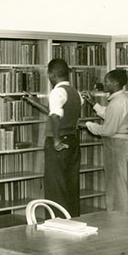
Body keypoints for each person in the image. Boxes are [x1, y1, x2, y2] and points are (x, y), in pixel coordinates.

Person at [22, 58, 81, 216]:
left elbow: (55, 116)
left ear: (52, 74)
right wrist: (35, 103)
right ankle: (72, 219)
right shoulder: (75, 92)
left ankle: (57, 221)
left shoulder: (57, 92)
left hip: (59, 142)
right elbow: (56, 112)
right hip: (72, 140)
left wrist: (55, 140)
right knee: (70, 183)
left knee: (55, 185)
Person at [83, 68, 128, 212]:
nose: (103, 84)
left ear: (116, 83)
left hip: (117, 145)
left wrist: (87, 125)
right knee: (120, 183)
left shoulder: (118, 102)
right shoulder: (123, 99)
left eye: (107, 81)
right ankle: (123, 216)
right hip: (120, 144)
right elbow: (110, 115)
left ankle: (119, 218)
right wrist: (93, 103)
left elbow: (108, 130)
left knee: (117, 184)